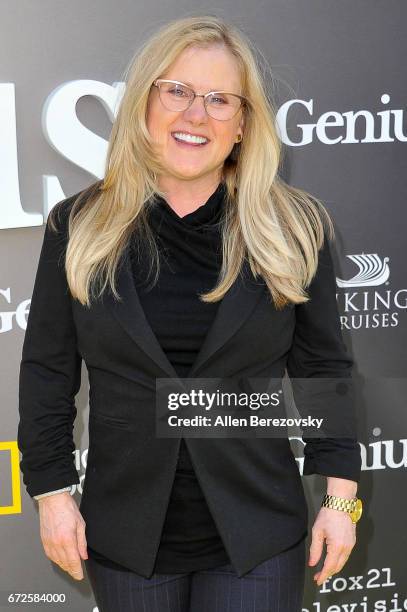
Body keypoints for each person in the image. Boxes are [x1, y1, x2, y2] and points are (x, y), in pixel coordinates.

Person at [18, 14, 362, 612]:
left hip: (257, 534)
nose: (195, 114)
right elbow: (48, 371)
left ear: (243, 124)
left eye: (219, 99)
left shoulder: (293, 227)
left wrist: (339, 501)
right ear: (142, 104)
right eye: (176, 90)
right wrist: (50, 491)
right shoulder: (76, 226)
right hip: (125, 535)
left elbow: (323, 371)